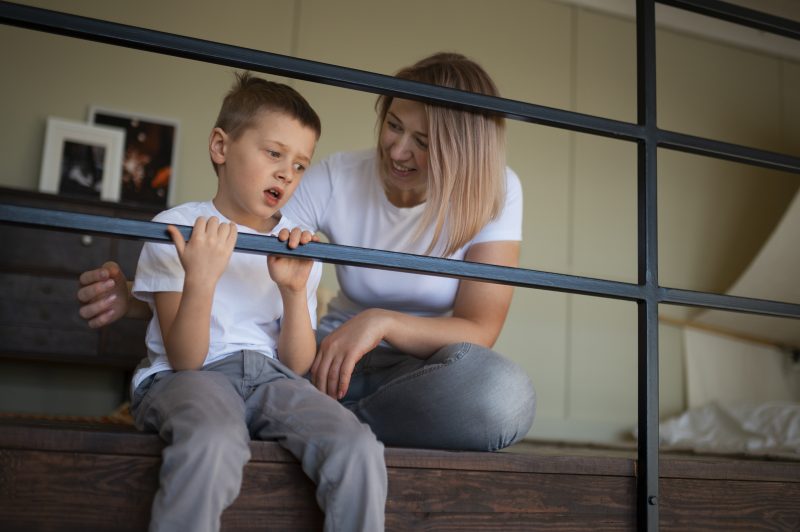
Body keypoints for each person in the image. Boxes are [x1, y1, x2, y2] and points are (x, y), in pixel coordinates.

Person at [78, 52, 536, 453]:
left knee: (504, 397)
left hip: (418, 376)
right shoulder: (339, 175)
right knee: (267, 362)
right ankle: (308, 425)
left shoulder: (496, 192)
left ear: (461, 151)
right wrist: (143, 297)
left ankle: (314, 428)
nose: (397, 150)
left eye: (423, 141)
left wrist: (381, 321)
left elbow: (479, 328)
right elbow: (240, 255)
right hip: (328, 359)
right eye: (394, 125)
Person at [123, 72, 386, 532]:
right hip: (191, 378)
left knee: (357, 446)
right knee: (213, 439)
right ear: (221, 148)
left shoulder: (296, 246)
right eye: (274, 153)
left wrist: (291, 289)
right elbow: (185, 360)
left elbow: (298, 363)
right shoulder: (178, 228)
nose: (288, 172)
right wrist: (201, 279)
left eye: (301, 164)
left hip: (271, 380)